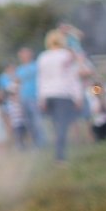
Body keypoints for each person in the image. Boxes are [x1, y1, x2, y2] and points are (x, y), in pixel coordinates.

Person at [37, 29, 82, 162]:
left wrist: (41, 98)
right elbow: (73, 77)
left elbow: (41, 79)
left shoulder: (43, 57)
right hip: (63, 93)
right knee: (62, 125)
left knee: (56, 125)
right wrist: (78, 96)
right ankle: (60, 156)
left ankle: (59, 152)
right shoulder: (66, 55)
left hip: (48, 94)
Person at [14, 47, 45, 148]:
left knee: (37, 120)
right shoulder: (19, 69)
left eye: (25, 54)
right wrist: (18, 99)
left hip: (35, 97)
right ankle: (34, 142)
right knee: (28, 122)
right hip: (24, 98)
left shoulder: (36, 66)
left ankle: (41, 142)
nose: (24, 56)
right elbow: (18, 85)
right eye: (22, 54)